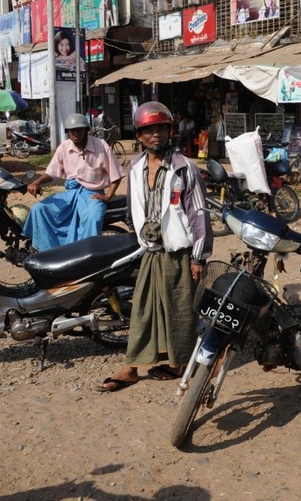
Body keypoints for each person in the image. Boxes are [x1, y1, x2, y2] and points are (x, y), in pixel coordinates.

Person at [100, 101, 213, 392]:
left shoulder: (183, 168)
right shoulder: (135, 166)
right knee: (142, 309)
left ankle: (176, 363)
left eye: (161, 129)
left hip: (178, 251)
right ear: (139, 136)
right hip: (150, 251)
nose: (156, 135)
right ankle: (131, 367)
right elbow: (131, 205)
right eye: (148, 130)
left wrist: (199, 257)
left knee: (178, 309)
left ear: (170, 131)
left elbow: (198, 214)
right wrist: (134, 231)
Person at [22, 113, 124, 251]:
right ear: (68, 133)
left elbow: (116, 175)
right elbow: (52, 172)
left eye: (79, 130)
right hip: (70, 194)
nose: (75, 134)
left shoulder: (101, 145)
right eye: (72, 131)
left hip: (92, 195)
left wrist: (107, 197)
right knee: (38, 209)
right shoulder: (64, 147)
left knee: (93, 217)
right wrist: (37, 182)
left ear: (86, 130)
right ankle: (48, 251)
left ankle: (86, 253)